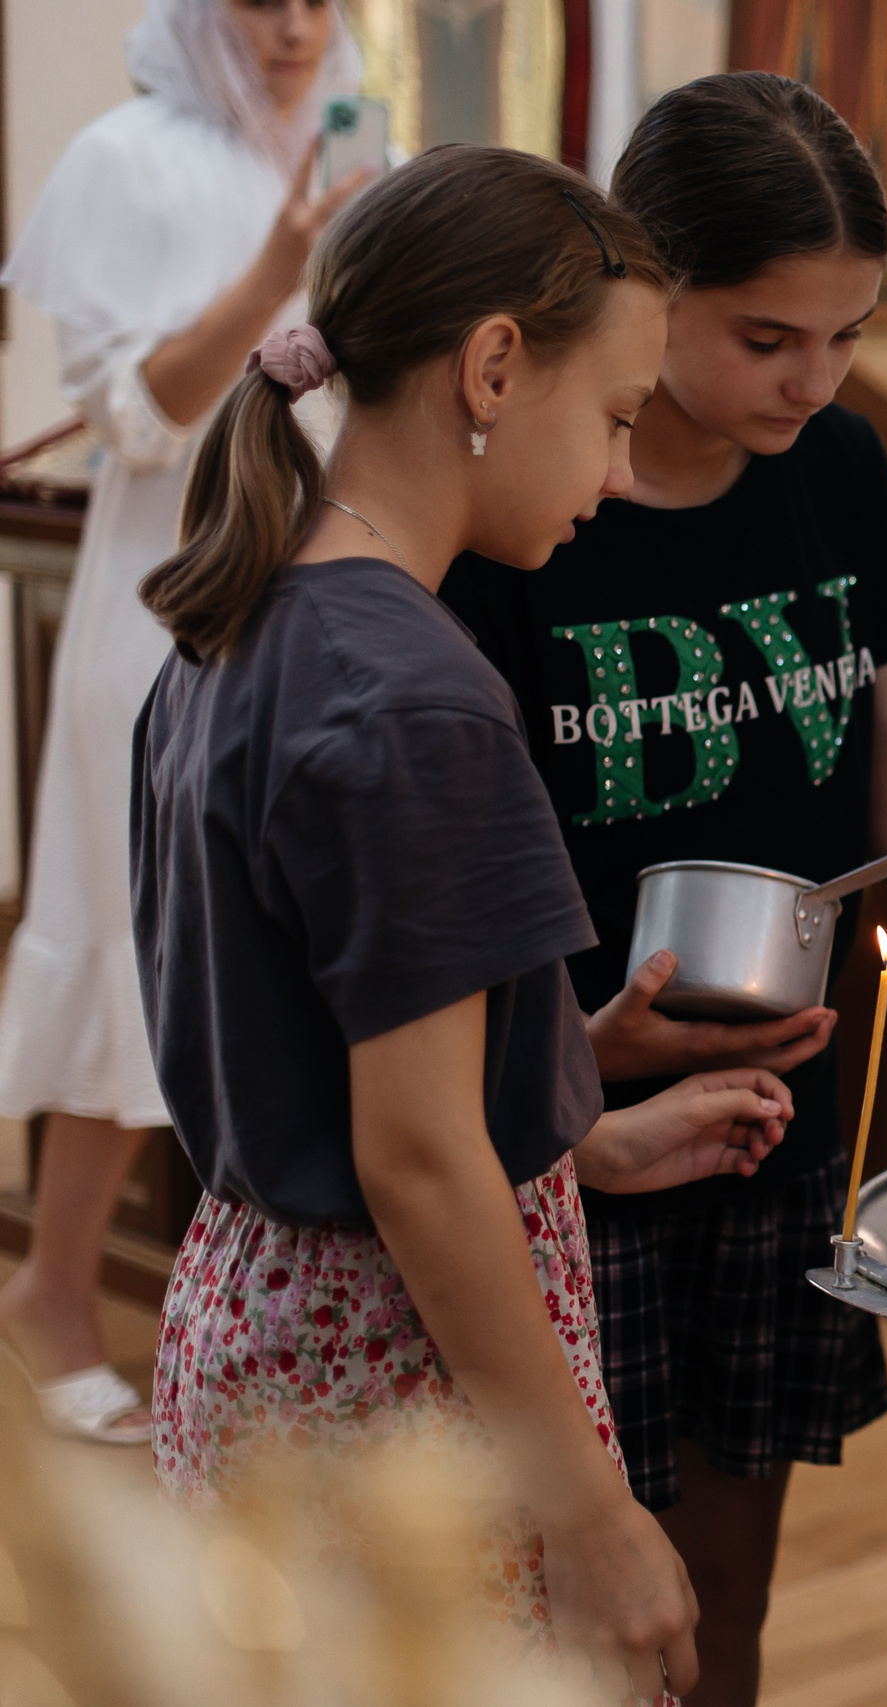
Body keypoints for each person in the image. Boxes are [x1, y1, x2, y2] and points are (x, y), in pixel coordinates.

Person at [438, 72, 887, 1707]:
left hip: (767, 1107)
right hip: (559, 1126)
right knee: (554, 1613)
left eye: (846, 336)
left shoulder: (838, 468)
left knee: (719, 1608)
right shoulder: (519, 514)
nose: (814, 380)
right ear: (642, 283)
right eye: (769, 338)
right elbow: (448, 887)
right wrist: (566, 1082)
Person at [132, 145, 782, 1700]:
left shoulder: (246, 619)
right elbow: (414, 1159)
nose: (620, 473)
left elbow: (314, 1045)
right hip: (395, 1390)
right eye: (617, 415)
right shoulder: (417, 693)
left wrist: (575, 1129)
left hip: (254, 1325)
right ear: (495, 363)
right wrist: (596, 1514)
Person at [0, 0, 369, 1444]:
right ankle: (55, 1284)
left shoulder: (361, 150)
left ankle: (259, 1315)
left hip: (318, 597)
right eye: (257, 0)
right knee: (132, 940)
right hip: (161, 605)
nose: (288, 29)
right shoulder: (121, 158)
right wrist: (283, 263)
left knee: (289, 959)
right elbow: (144, 415)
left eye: (314, 2)